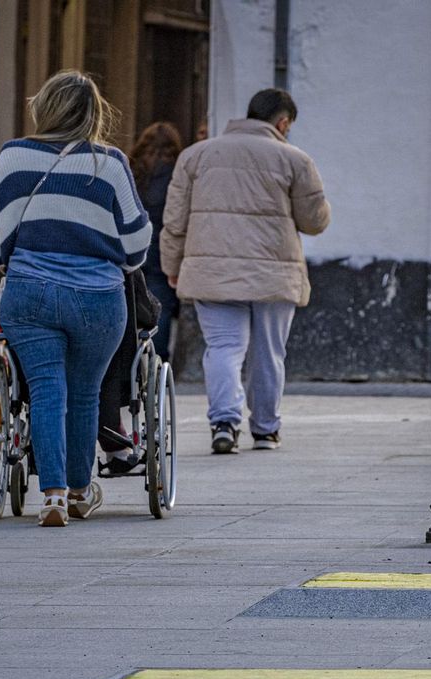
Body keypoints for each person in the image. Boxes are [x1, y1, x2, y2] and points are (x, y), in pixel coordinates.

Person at [0, 70, 151, 526]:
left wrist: (9, 262)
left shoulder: (14, 156)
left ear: (44, 107)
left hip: (29, 293)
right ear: (94, 113)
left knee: (45, 388)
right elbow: (135, 243)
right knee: (85, 392)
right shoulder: (109, 163)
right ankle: (79, 490)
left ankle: (51, 493)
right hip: (98, 298)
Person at [161, 88, 330, 454]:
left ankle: (224, 423)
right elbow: (314, 221)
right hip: (274, 273)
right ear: (283, 123)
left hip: (212, 270)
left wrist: (172, 266)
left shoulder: (195, 156)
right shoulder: (295, 159)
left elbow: (174, 222)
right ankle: (266, 429)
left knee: (223, 347)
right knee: (269, 351)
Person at [129, 122, 184, 361]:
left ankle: (131, 354)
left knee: (130, 300)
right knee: (160, 305)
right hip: (164, 247)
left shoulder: (132, 169)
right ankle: (158, 358)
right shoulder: (177, 172)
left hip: (134, 244)